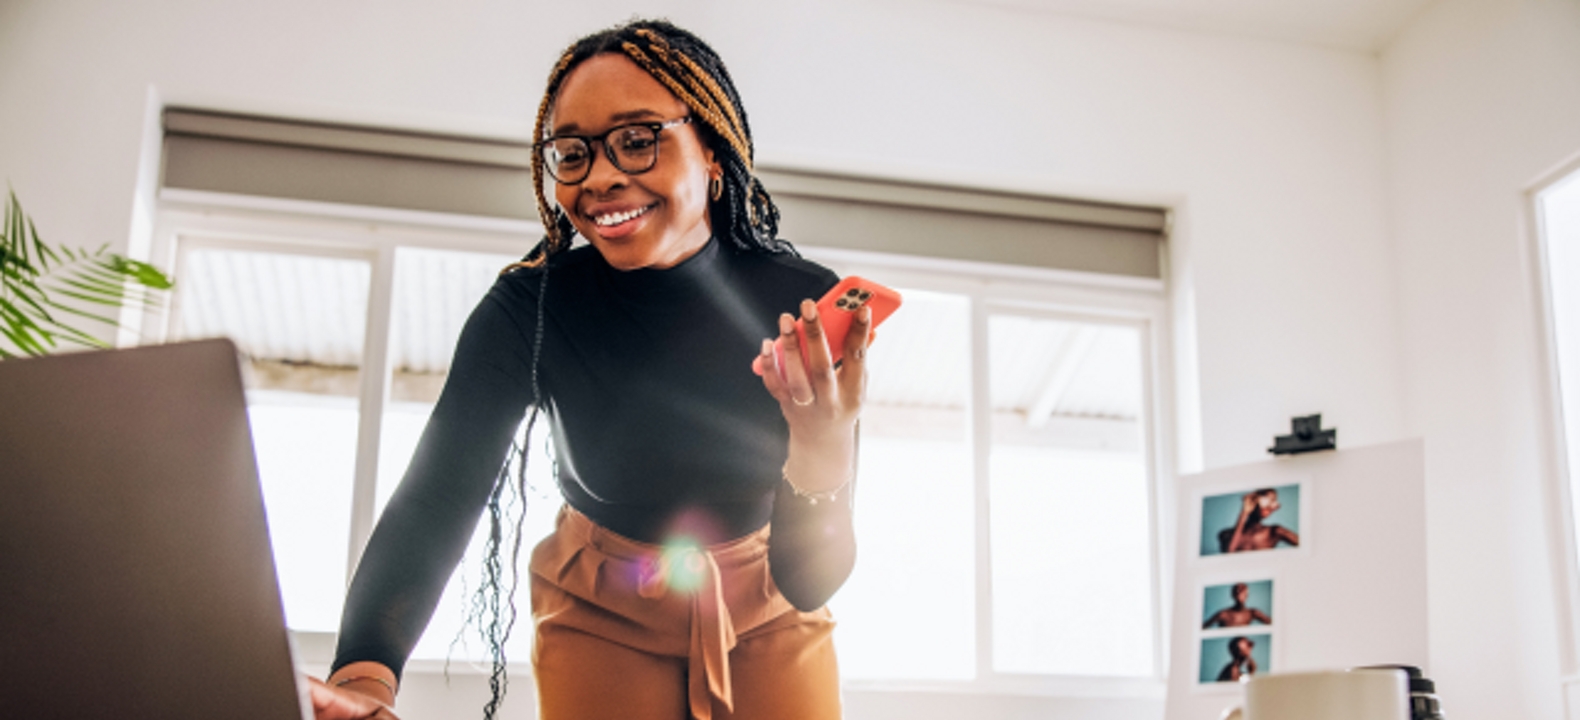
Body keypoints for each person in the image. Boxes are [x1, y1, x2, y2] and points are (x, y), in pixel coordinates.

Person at [309, 19, 870, 720]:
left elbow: (810, 580)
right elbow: (436, 499)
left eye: (638, 140)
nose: (601, 177)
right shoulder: (531, 308)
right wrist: (365, 677)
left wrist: (823, 440)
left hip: (771, 609)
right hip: (601, 610)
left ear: (713, 152)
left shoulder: (801, 306)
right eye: (572, 153)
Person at [1217, 488, 1299, 553]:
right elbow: (1229, 553)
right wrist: (1244, 513)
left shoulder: (1274, 532)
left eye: (1273, 500)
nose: (1275, 506)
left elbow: (1307, 546)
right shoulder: (1225, 534)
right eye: (1269, 500)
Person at [1202, 583, 1271, 628]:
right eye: (1237, 590)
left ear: (1247, 595)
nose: (1239, 593)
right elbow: (1203, 626)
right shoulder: (1223, 614)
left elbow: (1271, 623)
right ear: (1233, 594)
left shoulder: (1253, 613)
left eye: (1242, 590)